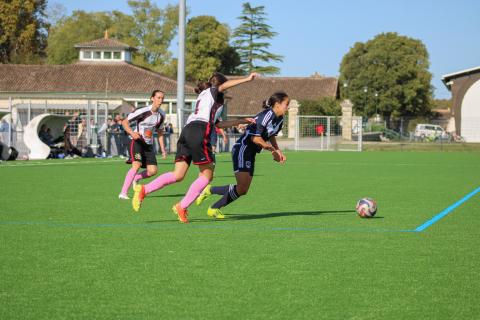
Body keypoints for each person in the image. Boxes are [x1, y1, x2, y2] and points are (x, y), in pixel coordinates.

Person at [132, 72, 259, 223]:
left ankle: (144, 190)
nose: (226, 90)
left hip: (188, 130)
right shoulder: (214, 91)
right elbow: (221, 89)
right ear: (219, 85)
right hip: (200, 130)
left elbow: (217, 124)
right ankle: (182, 206)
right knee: (207, 176)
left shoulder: (205, 96)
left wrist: (240, 121)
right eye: (224, 88)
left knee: (178, 175)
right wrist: (247, 79)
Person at [196, 91, 289, 219]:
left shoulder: (280, 119)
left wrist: (278, 150)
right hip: (243, 149)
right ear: (277, 104)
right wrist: (272, 150)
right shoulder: (266, 115)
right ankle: (213, 207)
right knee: (241, 187)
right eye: (286, 104)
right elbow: (255, 139)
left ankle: (210, 192)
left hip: (251, 152)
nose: (288, 107)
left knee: (243, 189)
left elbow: (271, 134)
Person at [118, 90, 168, 200]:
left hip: (148, 145)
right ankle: (123, 192)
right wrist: (132, 133)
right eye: (158, 97)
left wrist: (163, 149)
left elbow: (160, 132)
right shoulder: (143, 111)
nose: (160, 100)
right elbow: (124, 122)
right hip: (136, 141)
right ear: (152, 98)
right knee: (136, 165)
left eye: (162, 98)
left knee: (153, 171)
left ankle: (136, 178)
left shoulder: (162, 115)